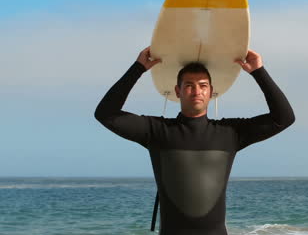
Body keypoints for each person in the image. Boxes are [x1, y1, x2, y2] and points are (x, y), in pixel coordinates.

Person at [94, 46, 295, 235]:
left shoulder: (230, 133)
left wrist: (258, 71)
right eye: (189, 85)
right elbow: (106, 114)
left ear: (211, 91)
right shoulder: (157, 131)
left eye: (202, 86)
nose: (197, 91)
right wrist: (137, 68)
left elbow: (283, 118)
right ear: (178, 91)